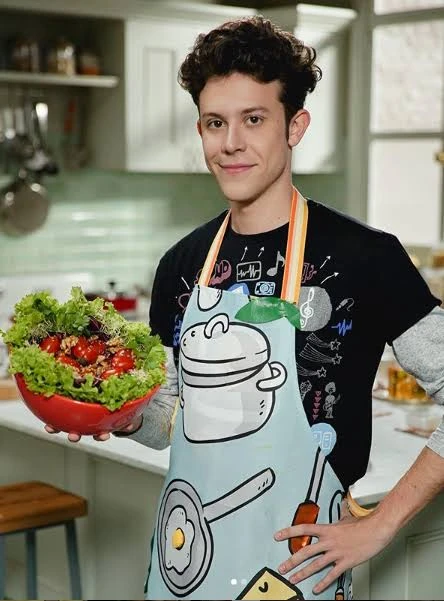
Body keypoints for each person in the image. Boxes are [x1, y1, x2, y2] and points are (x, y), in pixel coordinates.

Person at [46, 15, 444, 600]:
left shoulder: (366, 257)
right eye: (215, 122)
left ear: (295, 126)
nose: (230, 142)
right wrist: (115, 416)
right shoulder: (181, 263)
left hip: (298, 572)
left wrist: (380, 526)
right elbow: (172, 418)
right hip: (184, 562)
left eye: (253, 119)